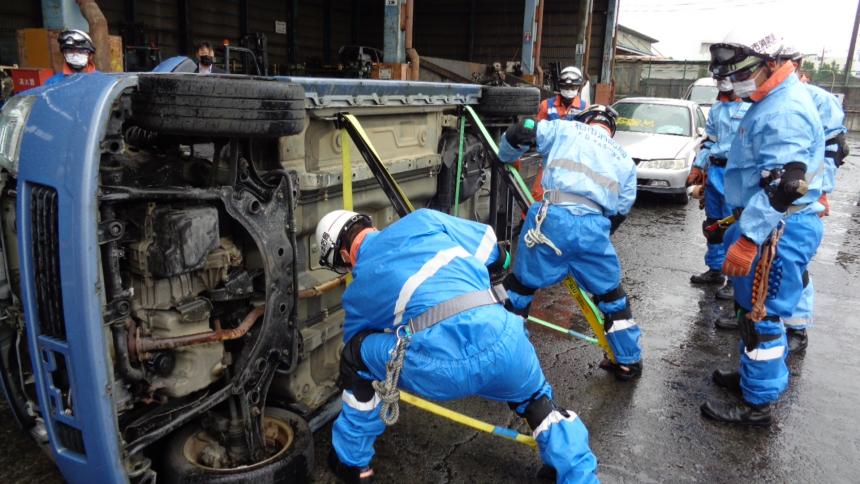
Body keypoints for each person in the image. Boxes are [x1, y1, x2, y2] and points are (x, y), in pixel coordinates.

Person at [317, 208, 599, 483]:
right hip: (505, 338)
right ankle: (574, 473)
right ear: (368, 225)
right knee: (538, 402)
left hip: (442, 368)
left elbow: (361, 340)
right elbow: (498, 255)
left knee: (355, 357)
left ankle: (352, 462)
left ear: (344, 255)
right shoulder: (423, 219)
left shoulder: (358, 291)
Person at [700, 30, 825, 426]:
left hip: (775, 230)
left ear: (772, 63)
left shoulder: (783, 111)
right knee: (747, 310)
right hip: (762, 220)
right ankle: (751, 377)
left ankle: (758, 405)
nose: (735, 83)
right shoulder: (769, 98)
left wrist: (749, 237)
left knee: (762, 316)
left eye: (742, 73)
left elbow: (786, 185)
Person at [498, 106, 643, 381]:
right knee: (612, 297)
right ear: (610, 130)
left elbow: (523, 130)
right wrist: (595, 238)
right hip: (594, 227)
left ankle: (506, 355)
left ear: (586, 121)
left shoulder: (565, 127)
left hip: (553, 219)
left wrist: (504, 156)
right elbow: (622, 210)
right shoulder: (624, 160)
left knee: (520, 287)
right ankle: (628, 361)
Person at [779, 61, 849, 352]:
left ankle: (797, 327)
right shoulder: (769, 100)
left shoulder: (817, 98)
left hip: (802, 195)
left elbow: (835, 147)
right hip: (771, 196)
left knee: (796, 263)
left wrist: (820, 191)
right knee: (771, 263)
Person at [685, 76, 750, 322]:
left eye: (727, 92)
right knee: (713, 226)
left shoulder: (751, 109)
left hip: (737, 174)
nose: (723, 97)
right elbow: (709, 142)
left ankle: (734, 280)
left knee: (734, 226)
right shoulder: (717, 108)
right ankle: (715, 269)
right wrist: (697, 168)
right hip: (715, 173)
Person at [528, 66, 590, 202]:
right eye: (566, 87)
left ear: (579, 87)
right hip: (549, 158)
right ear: (559, 86)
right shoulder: (546, 105)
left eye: (572, 88)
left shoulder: (584, 108)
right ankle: (527, 221)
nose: (568, 91)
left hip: (573, 161)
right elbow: (538, 132)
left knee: (568, 196)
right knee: (539, 193)